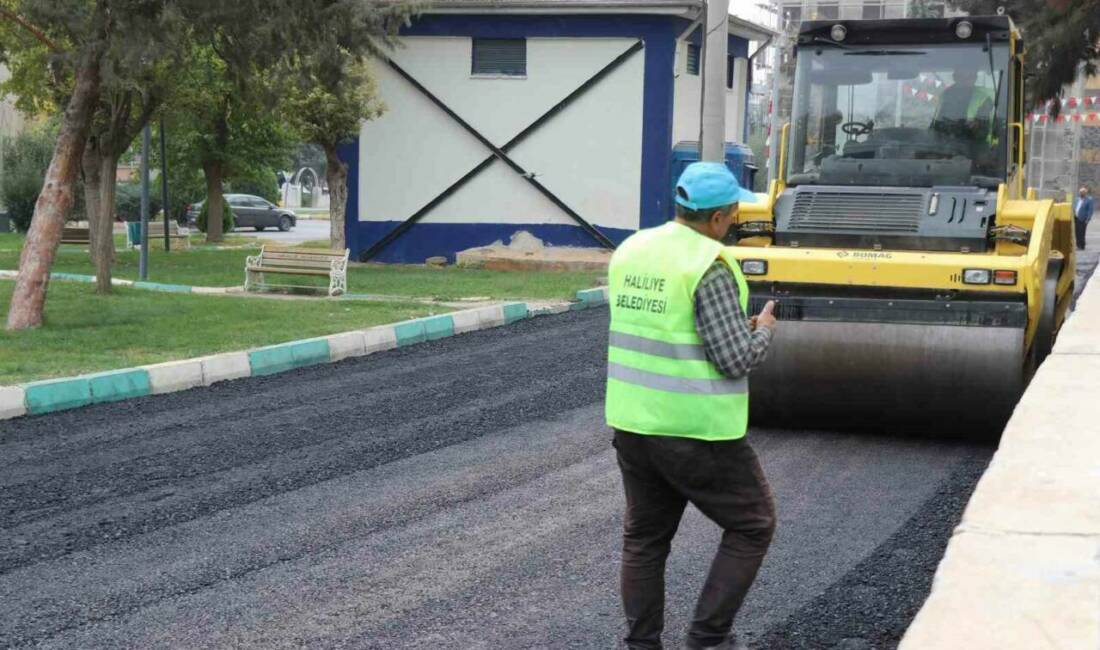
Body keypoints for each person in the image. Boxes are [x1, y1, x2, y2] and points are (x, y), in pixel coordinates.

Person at [606, 161, 778, 650]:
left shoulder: (632, 249)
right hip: (696, 431)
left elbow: (666, 329)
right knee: (753, 524)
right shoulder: (710, 264)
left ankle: (641, 644)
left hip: (634, 422)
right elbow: (735, 359)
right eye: (734, 214)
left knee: (645, 537)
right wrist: (762, 331)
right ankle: (709, 638)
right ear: (721, 217)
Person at [1075, 186, 1095, 250]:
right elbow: (1074, 207)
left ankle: (1082, 246)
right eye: (1080, 192)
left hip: (1083, 219)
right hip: (1076, 218)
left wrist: (1088, 219)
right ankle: (1078, 245)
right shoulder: (1077, 199)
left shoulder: (1089, 200)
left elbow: (1090, 210)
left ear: (1085, 193)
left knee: (1082, 233)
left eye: (1082, 192)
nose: (1081, 193)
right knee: (1077, 232)